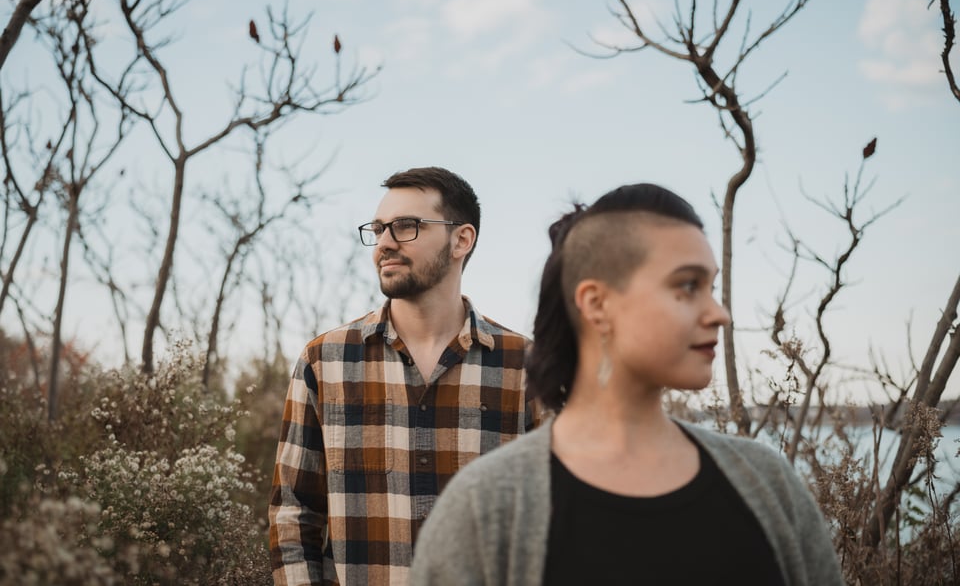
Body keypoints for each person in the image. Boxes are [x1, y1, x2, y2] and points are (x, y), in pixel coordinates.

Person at [409, 183, 844, 586]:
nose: (719, 313)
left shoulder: (766, 482)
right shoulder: (486, 507)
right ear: (596, 304)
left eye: (711, 287)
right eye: (688, 285)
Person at [269, 166, 538, 586]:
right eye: (378, 230)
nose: (384, 244)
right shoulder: (325, 361)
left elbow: (559, 516)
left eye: (406, 226)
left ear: (461, 239)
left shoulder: (527, 368)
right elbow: (294, 513)